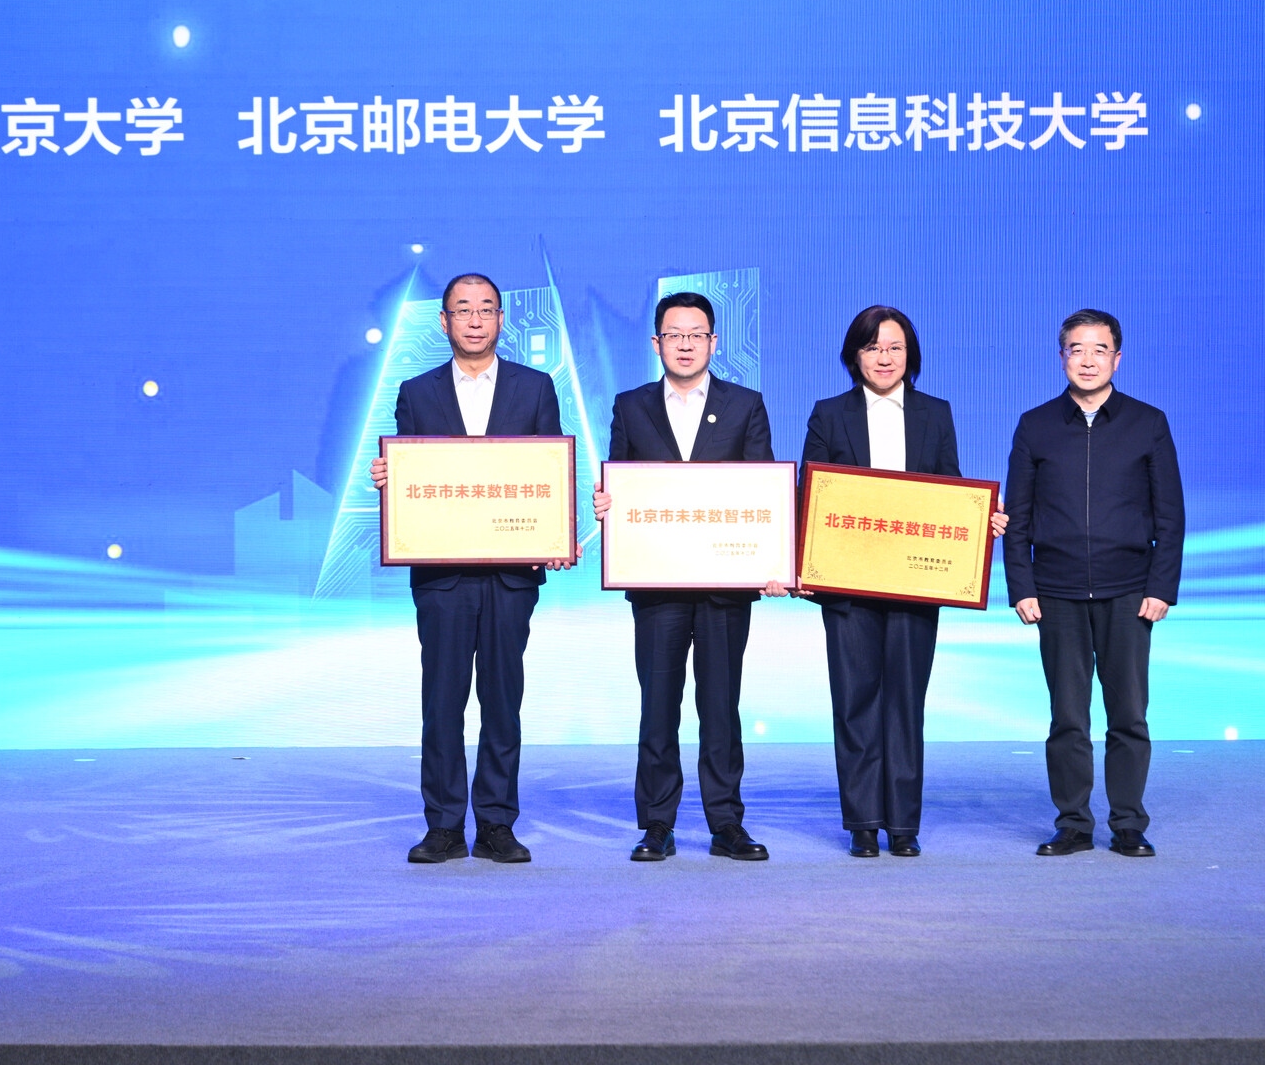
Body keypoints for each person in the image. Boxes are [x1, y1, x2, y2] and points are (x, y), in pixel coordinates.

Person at [369, 274, 576, 866]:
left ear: (502, 319)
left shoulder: (535, 387)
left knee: (502, 702)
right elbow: (411, 475)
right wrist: (389, 480)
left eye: (486, 309)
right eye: (463, 310)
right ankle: (442, 826)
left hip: (512, 574)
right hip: (443, 577)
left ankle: (496, 824)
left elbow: (550, 469)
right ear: (444, 322)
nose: (476, 319)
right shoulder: (417, 392)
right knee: (442, 702)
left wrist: (555, 532)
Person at [801, 305, 1006, 858]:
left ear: (910, 354)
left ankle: (903, 824)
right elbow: (810, 496)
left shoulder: (935, 413)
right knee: (854, 702)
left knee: (905, 702)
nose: (884, 358)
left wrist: (980, 521)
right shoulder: (829, 414)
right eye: (872, 347)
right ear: (855, 356)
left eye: (894, 347)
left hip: (915, 584)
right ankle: (864, 822)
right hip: (846, 587)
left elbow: (953, 489)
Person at [592, 292, 785, 863]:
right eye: (673, 334)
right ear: (656, 343)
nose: (685, 344)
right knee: (658, 707)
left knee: (721, 708)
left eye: (696, 334)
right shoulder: (631, 406)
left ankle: (727, 824)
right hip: (656, 585)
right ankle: (657, 824)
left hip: (726, 587)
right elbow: (621, 483)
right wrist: (607, 503)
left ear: (713, 342)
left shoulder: (745, 405)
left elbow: (764, 492)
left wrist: (774, 560)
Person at [1005, 309, 1184, 859]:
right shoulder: (1035, 425)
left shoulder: (1147, 423)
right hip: (1055, 592)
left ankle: (1128, 823)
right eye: (1076, 349)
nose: (1088, 360)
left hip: (1129, 591)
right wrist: (1021, 586)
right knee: (1068, 717)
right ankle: (1073, 824)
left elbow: (1170, 515)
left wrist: (1161, 587)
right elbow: (1017, 517)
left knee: (1128, 715)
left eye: (1099, 350)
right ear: (1061, 357)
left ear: (1117, 358)